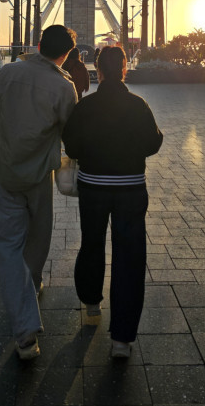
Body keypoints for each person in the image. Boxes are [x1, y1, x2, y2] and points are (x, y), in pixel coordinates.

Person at [0, 25, 77, 360]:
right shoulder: (65, 87)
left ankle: (24, 330)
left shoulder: (8, 73)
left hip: (4, 169)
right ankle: (31, 290)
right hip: (39, 175)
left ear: (38, 45)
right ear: (66, 54)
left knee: (7, 245)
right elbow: (70, 132)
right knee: (38, 236)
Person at [62, 45, 163, 359]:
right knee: (129, 256)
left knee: (92, 243)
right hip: (131, 188)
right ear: (124, 69)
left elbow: (72, 143)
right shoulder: (138, 104)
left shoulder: (86, 107)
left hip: (92, 186)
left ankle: (91, 300)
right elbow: (153, 142)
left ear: (98, 70)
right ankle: (122, 339)